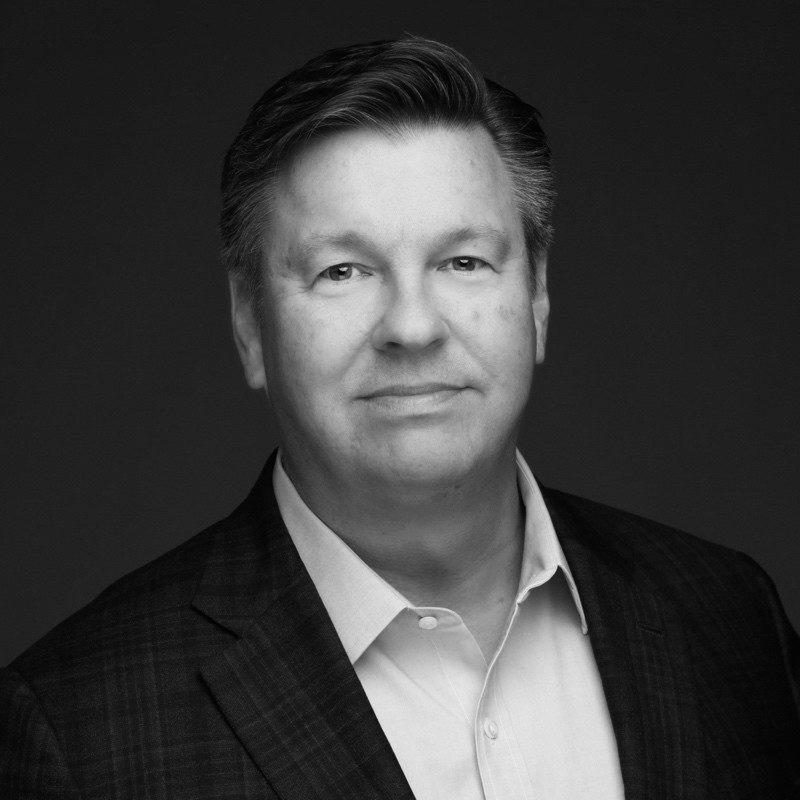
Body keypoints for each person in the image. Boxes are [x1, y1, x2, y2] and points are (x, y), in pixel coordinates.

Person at [1, 36, 798, 800]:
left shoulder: (728, 616)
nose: (412, 327)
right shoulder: (74, 731)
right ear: (249, 322)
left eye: (463, 262)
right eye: (342, 270)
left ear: (538, 297)